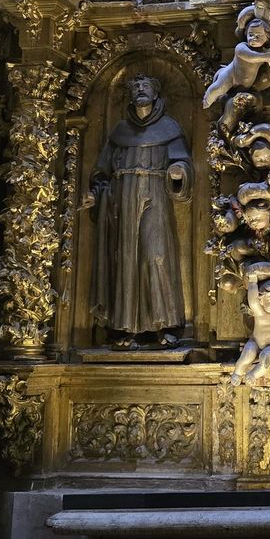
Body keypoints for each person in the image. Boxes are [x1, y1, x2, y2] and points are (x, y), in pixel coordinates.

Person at [84, 73, 191, 347]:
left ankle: (165, 324)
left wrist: (179, 171)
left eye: (145, 86)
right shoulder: (120, 131)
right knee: (125, 260)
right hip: (122, 200)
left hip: (155, 196)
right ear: (130, 95)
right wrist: (96, 195)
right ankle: (124, 328)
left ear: (155, 94)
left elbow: (182, 162)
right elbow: (101, 172)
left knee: (156, 256)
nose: (140, 90)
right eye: (136, 87)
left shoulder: (169, 128)